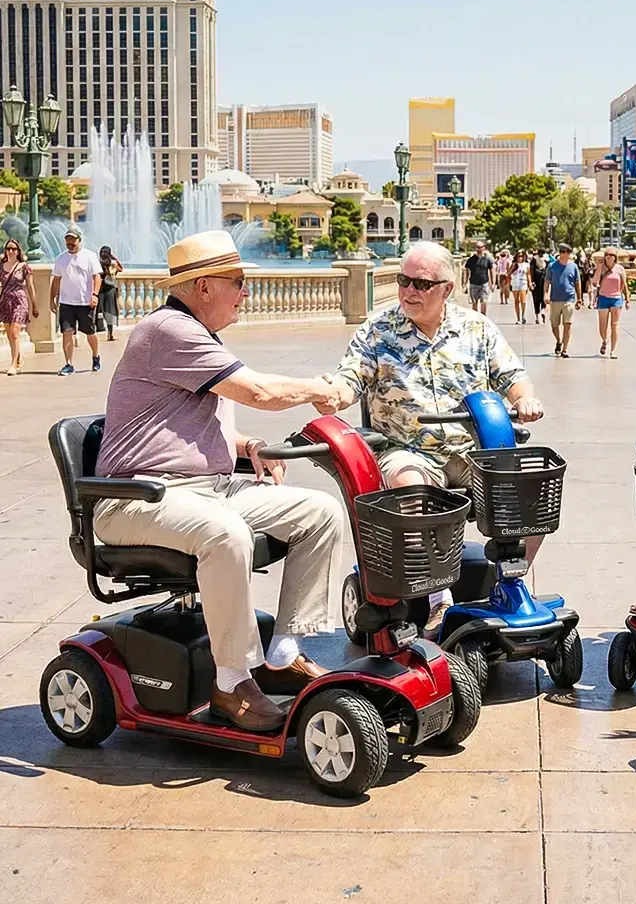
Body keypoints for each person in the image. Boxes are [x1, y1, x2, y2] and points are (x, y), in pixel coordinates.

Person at [93, 230, 349, 733]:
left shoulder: (203, 338)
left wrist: (248, 445)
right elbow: (258, 391)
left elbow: (203, 429)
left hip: (202, 490)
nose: (246, 292)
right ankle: (232, 683)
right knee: (225, 533)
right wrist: (319, 389)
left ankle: (282, 652)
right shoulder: (168, 330)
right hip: (134, 497)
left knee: (318, 512)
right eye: (239, 282)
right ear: (204, 286)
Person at [320, 242, 544, 636]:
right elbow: (349, 378)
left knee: (532, 490)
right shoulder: (378, 330)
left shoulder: (476, 327)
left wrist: (524, 399)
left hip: (467, 450)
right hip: (405, 449)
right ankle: (439, 601)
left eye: (421, 283)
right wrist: (334, 393)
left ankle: (513, 581)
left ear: (447, 287)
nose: (409, 291)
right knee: (414, 488)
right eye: (403, 280)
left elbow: (511, 374)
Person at [50, 225, 102, 375]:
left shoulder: (90, 256)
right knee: (66, 332)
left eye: (73, 240)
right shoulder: (61, 259)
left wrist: (95, 294)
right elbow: (56, 280)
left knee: (90, 332)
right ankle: (68, 364)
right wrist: (51, 298)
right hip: (66, 303)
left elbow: (97, 277)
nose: (70, 243)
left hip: (85, 302)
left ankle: (95, 356)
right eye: (67, 240)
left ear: (80, 240)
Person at [0, 239, 38, 376]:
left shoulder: (24, 267)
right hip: (5, 301)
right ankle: (18, 358)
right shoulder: (1, 266)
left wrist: (34, 305)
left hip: (19, 300)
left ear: (18, 251)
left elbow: (30, 286)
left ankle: (13, 364)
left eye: (14, 249)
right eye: (8, 248)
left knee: (15, 332)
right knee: (9, 332)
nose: (11, 251)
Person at [544, 243, 582, 357]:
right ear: (560, 253)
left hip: (569, 298)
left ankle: (565, 349)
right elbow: (547, 281)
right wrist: (546, 294)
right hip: (555, 299)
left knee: (568, 324)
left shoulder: (573, 266)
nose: (566, 254)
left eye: (568, 252)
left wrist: (579, 298)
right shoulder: (552, 266)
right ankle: (559, 341)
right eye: (563, 252)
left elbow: (577, 282)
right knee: (554, 324)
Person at [592, 248, 630, 359]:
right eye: (607, 255)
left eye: (611, 255)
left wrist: (627, 299)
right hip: (603, 297)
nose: (609, 257)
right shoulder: (601, 267)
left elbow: (625, 284)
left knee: (615, 325)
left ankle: (613, 350)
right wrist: (598, 276)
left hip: (616, 298)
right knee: (602, 326)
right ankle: (604, 340)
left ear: (615, 257)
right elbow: (594, 282)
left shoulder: (620, 269)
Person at [96, 245, 124, 341]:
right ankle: (110, 334)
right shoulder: (113, 263)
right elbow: (121, 268)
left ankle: (94, 331)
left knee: (96, 312)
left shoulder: (98, 263)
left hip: (99, 290)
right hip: (110, 290)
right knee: (110, 312)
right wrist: (113, 257)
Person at [462, 240, 496, 315]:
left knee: (484, 301)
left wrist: (493, 283)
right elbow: (466, 271)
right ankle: (476, 319)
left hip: (484, 283)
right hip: (473, 283)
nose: (479, 249)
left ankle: (483, 316)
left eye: (480, 247)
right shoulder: (471, 260)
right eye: (477, 247)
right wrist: (464, 283)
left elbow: (492, 270)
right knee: (474, 302)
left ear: (484, 248)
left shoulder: (488, 259)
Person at [509, 249, 530, 324]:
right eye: (518, 256)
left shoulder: (526, 264)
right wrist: (513, 268)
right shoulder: (514, 264)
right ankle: (518, 318)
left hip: (523, 282)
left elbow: (528, 274)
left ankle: (523, 314)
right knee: (516, 301)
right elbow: (508, 273)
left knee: (523, 300)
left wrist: (530, 283)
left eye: (521, 256)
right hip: (515, 283)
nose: (520, 258)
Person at [528, 247, 548, 323]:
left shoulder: (546, 259)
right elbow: (531, 271)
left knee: (540, 297)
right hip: (539, 281)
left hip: (540, 280)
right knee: (538, 298)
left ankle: (539, 314)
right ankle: (539, 314)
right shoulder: (535, 259)